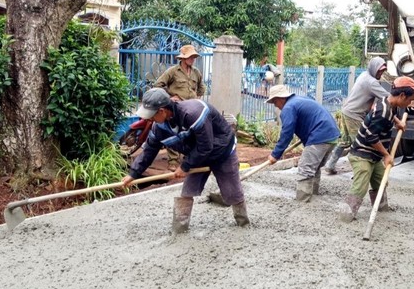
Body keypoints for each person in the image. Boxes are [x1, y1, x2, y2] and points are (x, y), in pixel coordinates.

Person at [120, 88, 249, 234]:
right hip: (196, 155)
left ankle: (243, 224)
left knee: (232, 192)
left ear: (162, 111)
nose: (149, 120)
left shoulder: (194, 113)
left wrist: (185, 166)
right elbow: (149, 151)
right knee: (187, 192)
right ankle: (179, 230)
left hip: (222, 151)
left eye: (151, 116)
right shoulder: (158, 128)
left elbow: (206, 146)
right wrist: (134, 174)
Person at [338, 76, 414, 222]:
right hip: (362, 154)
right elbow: (371, 136)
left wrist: (397, 123)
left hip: (373, 154)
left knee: (380, 181)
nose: (412, 102)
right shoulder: (382, 111)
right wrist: (386, 155)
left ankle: (381, 208)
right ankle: (346, 215)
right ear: (402, 95)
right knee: (361, 184)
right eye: (411, 98)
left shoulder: (390, 103)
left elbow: (391, 116)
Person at [265, 84, 340, 202]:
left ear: (279, 98)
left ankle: (302, 200)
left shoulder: (288, 108)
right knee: (314, 167)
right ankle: (313, 195)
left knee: (306, 168)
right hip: (331, 135)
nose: (276, 106)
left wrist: (275, 155)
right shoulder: (300, 100)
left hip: (320, 136)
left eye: (274, 102)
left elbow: (287, 133)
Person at [324, 56, 390, 175]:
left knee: (345, 141)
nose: (382, 73)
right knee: (360, 144)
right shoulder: (372, 82)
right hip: (354, 114)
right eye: (380, 70)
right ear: (374, 69)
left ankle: (330, 165)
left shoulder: (364, 75)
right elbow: (389, 98)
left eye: (383, 70)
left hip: (346, 110)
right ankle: (359, 173)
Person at [154, 44, 207, 171]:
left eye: (193, 56)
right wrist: (169, 99)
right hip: (176, 108)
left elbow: (202, 87)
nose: (192, 59)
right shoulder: (172, 71)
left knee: (191, 132)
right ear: (183, 58)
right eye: (190, 57)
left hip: (191, 110)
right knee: (174, 132)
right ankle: (173, 160)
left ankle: (188, 157)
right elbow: (158, 85)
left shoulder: (196, 72)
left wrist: (197, 97)